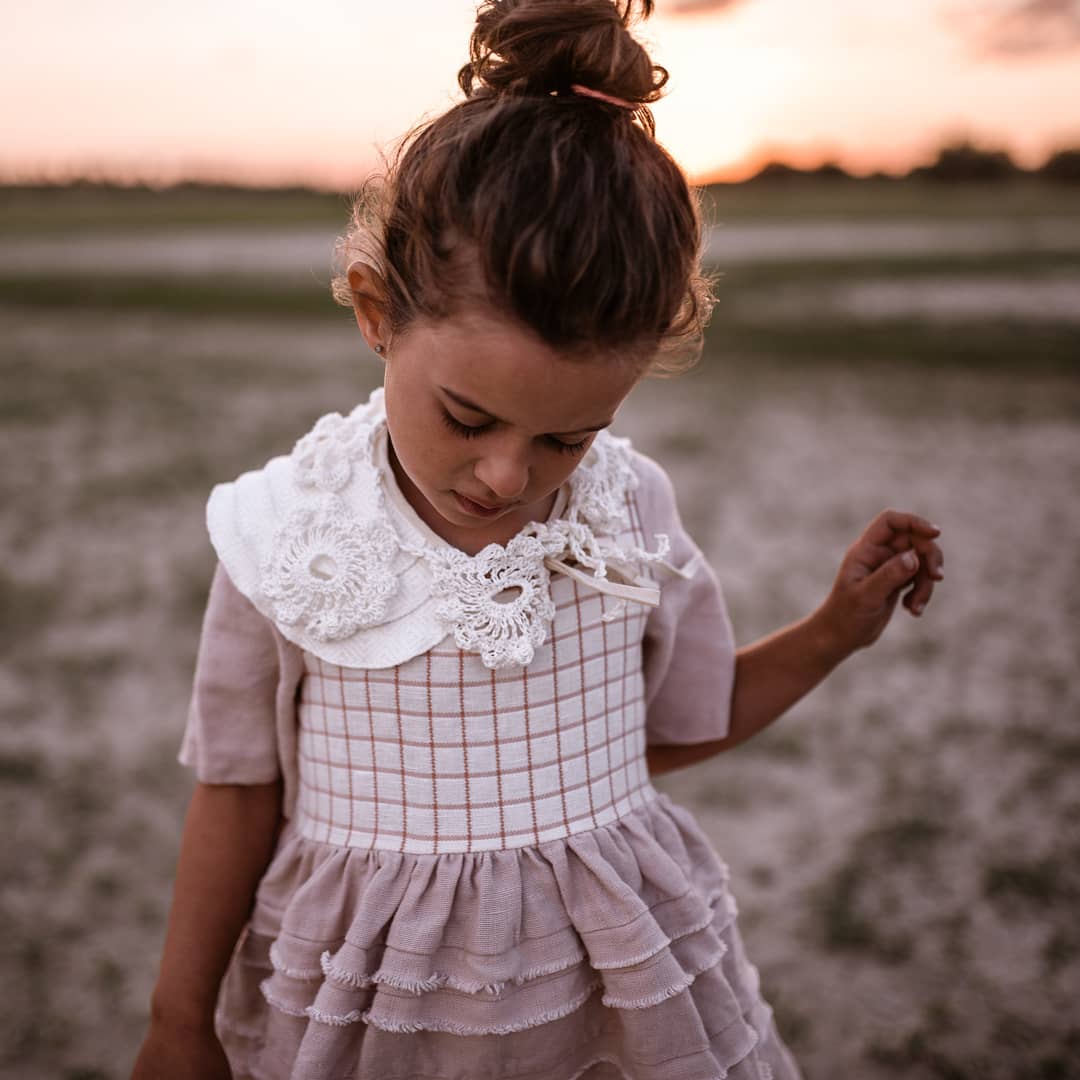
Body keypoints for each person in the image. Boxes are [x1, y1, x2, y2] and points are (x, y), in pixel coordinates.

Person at [132, 1, 944, 1077]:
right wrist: (179, 1024)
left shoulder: (629, 515)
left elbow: (663, 733)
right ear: (377, 312)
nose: (509, 476)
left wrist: (833, 632)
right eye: (468, 418)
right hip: (383, 1016)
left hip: (616, 1007)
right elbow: (236, 790)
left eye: (570, 435)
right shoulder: (291, 534)